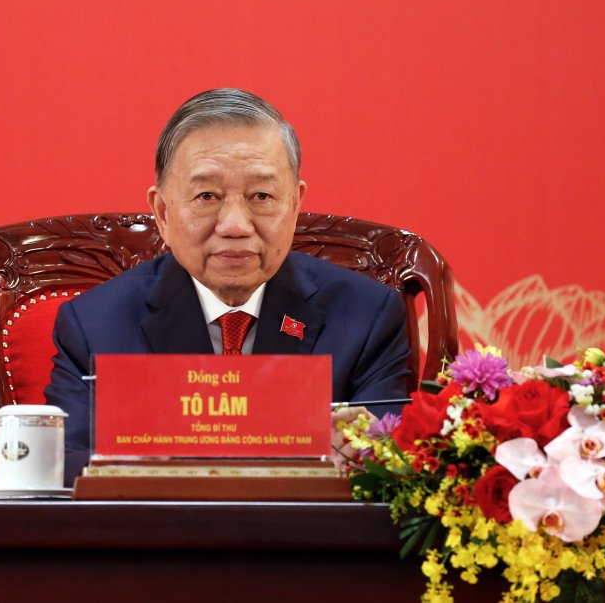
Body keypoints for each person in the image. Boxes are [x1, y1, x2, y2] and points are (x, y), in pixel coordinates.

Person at [44, 88, 411, 484]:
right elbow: (62, 468)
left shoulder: (368, 318)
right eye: (207, 196)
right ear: (163, 212)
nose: (235, 225)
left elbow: (392, 472)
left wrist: (361, 457)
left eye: (261, 196)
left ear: (294, 205)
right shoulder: (94, 325)